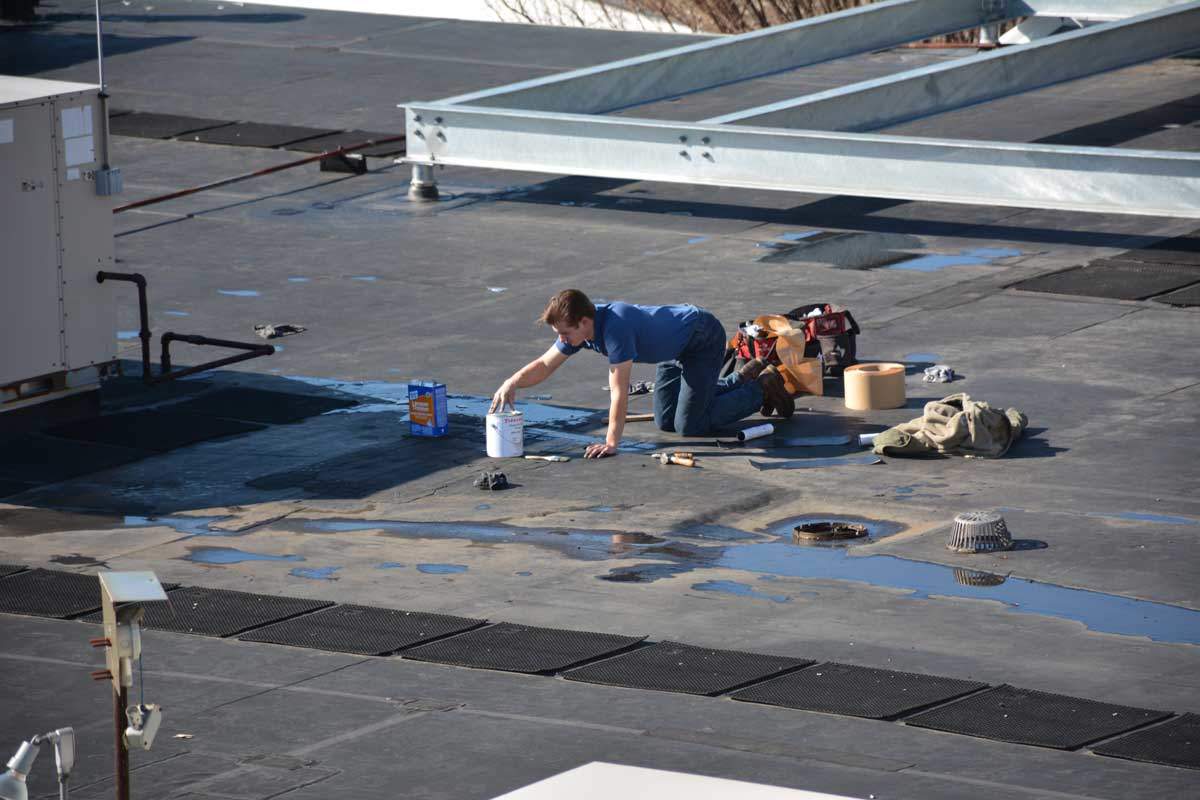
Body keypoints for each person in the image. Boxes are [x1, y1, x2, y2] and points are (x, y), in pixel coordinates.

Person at [490, 289, 793, 458]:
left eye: (565, 334)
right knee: (665, 421)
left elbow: (619, 391)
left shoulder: (615, 330)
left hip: (701, 338)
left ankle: (762, 387)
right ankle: (742, 377)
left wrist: (611, 443)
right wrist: (511, 382)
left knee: (690, 424)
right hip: (673, 351)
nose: (563, 340)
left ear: (584, 322)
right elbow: (545, 364)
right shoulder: (581, 329)